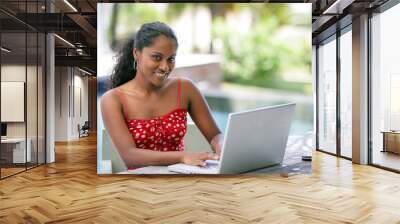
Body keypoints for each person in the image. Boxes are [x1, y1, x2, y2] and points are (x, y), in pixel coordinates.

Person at [101, 22, 224, 169]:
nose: (165, 67)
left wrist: (221, 145)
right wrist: (182, 156)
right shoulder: (113, 100)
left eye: (171, 59)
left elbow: (215, 135)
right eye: (157, 57)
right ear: (136, 54)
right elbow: (130, 157)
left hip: (181, 178)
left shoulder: (185, 88)